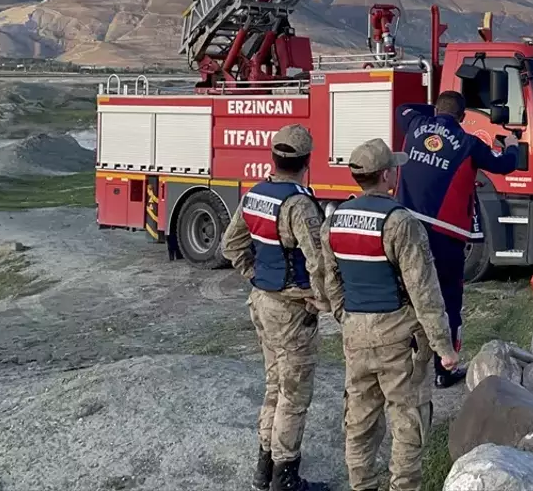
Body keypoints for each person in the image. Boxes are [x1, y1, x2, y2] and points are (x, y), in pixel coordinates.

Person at [319, 138, 460, 491]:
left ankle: (361, 485)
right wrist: (444, 347)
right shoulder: (400, 222)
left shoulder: (334, 220)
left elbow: (329, 279)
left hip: (355, 332)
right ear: (386, 175)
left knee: (359, 419)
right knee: (408, 420)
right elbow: (423, 290)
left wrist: (345, 315)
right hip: (399, 337)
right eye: (393, 168)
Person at [221, 124, 330, 491]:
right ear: (306, 161)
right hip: (291, 308)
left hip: (263, 302)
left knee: (273, 386)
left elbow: (231, 244)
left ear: (274, 158)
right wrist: (323, 299)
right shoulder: (299, 205)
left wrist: (255, 274)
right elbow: (317, 261)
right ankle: (286, 477)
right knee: (294, 394)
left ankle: (263, 469)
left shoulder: (255, 195)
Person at [395, 90, 518, 388]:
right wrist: (512, 146)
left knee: (406, 293)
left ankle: (404, 360)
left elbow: (403, 106)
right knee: (448, 299)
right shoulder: (469, 143)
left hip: (406, 226)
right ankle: (444, 369)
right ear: (463, 117)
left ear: (437, 109)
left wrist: (434, 115)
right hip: (444, 234)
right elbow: (504, 166)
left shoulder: (414, 125)